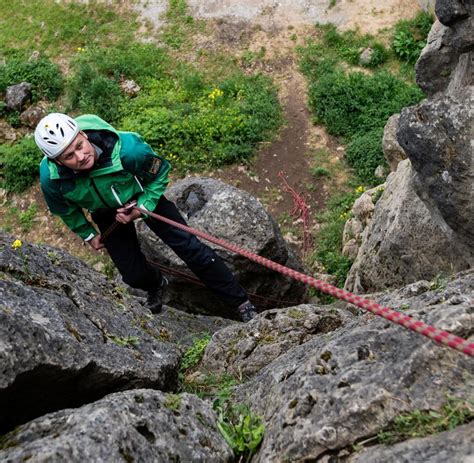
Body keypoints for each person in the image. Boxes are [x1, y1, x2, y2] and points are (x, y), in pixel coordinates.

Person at [35, 113, 257, 322]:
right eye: (69, 156)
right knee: (133, 276)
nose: (80, 157)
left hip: (140, 195)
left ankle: (241, 303)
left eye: (79, 146)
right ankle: (156, 283)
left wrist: (143, 206)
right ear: (57, 161)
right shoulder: (52, 179)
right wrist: (88, 234)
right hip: (105, 212)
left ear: (83, 134)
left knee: (191, 249)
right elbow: (65, 210)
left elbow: (160, 171)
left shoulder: (128, 151)